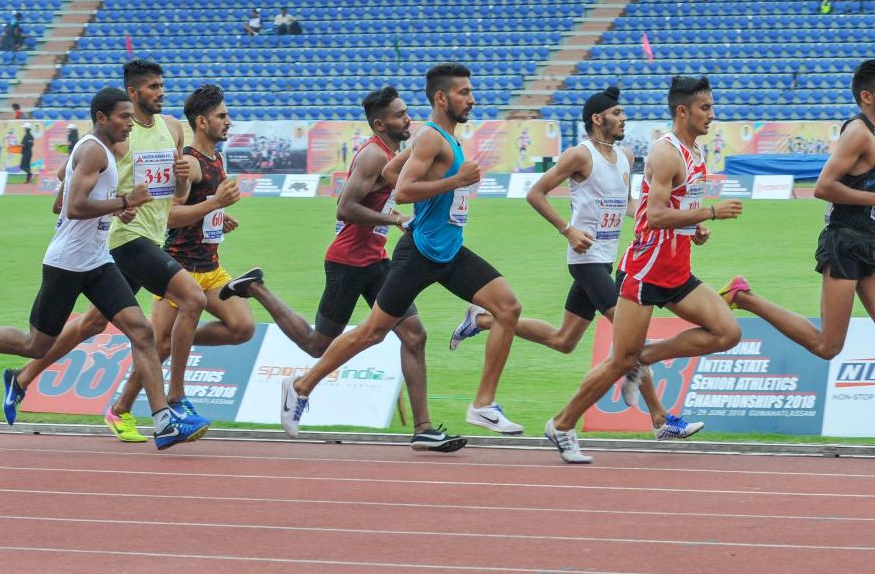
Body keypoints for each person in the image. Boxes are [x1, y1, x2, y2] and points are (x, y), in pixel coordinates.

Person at [719, 59, 875, 468]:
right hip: (844, 243)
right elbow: (823, 187)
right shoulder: (858, 132)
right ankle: (744, 297)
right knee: (828, 346)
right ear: (867, 97)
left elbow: (859, 187)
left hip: (869, 242)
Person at [279, 63, 526, 439]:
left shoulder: (444, 138)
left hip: (449, 251)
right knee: (372, 332)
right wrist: (455, 181)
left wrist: (439, 185)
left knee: (508, 307)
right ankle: (300, 386)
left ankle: (483, 405)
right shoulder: (430, 137)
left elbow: (392, 171)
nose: (472, 99)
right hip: (420, 254)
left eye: (471, 92)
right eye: (464, 92)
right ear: (441, 98)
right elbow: (404, 190)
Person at [452, 87, 706, 441]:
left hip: (607, 258)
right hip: (585, 259)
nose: (623, 118)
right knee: (628, 338)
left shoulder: (625, 155)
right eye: (616, 113)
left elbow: (629, 204)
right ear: (597, 119)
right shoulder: (579, 155)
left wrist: (681, 224)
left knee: (564, 339)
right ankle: (660, 420)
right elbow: (535, 193)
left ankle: (481, 319)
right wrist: (567, 230)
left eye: (623, 112)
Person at [231, 87, 463, 452]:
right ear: (379, 124)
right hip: (348, 262)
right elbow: (345, 207)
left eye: (406, 112)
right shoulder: (373, 155)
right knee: (316, 345)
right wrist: (395, 219)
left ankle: (423, 429)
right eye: (400, 115)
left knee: (414, 335)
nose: (408, 119)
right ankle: (256, 288)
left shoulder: (394, 155)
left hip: (377, 261)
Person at [0, 88, 208, 449]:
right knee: (34, 345)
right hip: (68, 263)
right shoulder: (92, 150)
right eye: (123, 117)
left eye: (130, 116)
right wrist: (125, 200)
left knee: (141, 332)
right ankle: (14, 373)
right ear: (102, 118)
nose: (129, 123)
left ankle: (164, 422)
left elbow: (66, 199)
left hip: (98, 260)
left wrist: (117, 208)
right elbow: (73, 207)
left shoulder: (105, 149)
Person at [543, 76, 745, 464]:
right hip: (645, 271)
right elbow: (654, 215)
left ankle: (644, 356)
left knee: (727, 332)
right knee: (619, 361)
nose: (712, 115)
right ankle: (562, 424)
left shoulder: (696, 152)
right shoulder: (665, 153)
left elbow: (678, 209)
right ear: (683, 111)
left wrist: (694, 227)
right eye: (705, 108)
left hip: (677, 269)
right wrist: (710, 213)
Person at [99, 83, 252, 438]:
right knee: (159, 345)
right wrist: (214, 205)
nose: (229, 121)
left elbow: (199, 209)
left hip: (211, 268)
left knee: (242, 327)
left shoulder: (216, 158)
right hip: (180, 266)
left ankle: (178, 343)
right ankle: (122, 410)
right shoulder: (190, 164)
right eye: (222, 116)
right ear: (202, 122)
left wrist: (217, 217)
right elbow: (171, 215)